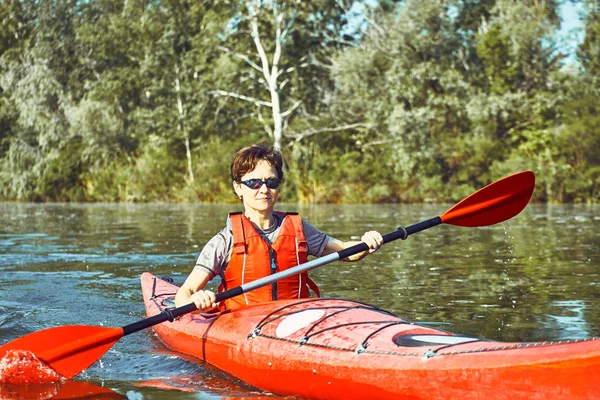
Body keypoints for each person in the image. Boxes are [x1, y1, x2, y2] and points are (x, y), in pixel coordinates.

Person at [175, 144, 383, 311]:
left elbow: (347, 252)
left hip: (295, 319)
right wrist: (199, 299)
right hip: (243, 325)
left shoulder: (298, 229)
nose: (264, 190)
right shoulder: (225, 240)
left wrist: (366, 244)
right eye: (254, 183)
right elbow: (184, 294)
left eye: (271, 182)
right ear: (238, 188)